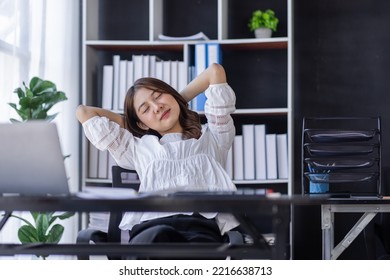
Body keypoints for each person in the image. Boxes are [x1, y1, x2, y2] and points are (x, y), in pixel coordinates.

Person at [76, 63, 240, 246]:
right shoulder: (138, 149)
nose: (156, 107)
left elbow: (215, 72)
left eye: (158, 96)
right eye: (145, 109)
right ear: (141, 123)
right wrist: (132, 124)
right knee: (160, 236)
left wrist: (179, 99)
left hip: (199, 230)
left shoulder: (214, 139)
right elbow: (84, 112)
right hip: (151, 229)